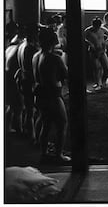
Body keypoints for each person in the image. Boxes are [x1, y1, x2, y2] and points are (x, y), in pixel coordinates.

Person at [32, 27, 71, 162]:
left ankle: (44, 152)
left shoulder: (36, 56)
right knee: (62, 124)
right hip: (52, 95)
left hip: (40, 94)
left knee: (46, 123)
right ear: (53, 41)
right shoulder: (54, 58)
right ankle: (58, 155)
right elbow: (65, 75)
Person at [16, 24, 39, 141]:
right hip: (29, 80)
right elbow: (32, 69)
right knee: (31, 111)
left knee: (28, 110)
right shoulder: (29, 48)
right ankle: (32, 137)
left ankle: (28, 133)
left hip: (24, 79)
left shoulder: (21, 45)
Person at [84, 17, 108, 91]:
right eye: (95, 27)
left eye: (98, 27)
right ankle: (98, 83)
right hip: (93, 51)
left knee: (107, 67)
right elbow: (84, 38)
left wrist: (106, 41)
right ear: (93, 25)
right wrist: (90, 43)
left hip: (102, 50)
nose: (97, 28)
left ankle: (107, 83)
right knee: (96, 68)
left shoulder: (102, 29)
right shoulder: (88, 30)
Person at [5, 29, 24, 133]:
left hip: (7, 77)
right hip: (12, 78)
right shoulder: (18, 49)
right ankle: (18, 130)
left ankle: (8, 128)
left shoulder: (9, 48)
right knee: (18, 106)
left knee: (11, 105)